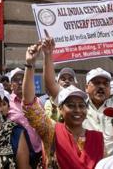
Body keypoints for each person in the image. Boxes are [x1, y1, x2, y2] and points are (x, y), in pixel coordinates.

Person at [43, 24, 113, 156]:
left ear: (110, 88)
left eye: (105, 83)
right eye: (96, 83)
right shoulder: (78, 105)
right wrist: (48, 55)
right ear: (86, 87)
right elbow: (51, 86)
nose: (101, 86)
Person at [22, 40, 104, 169]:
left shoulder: (98, 139)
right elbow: (29, 105)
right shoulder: (51, 131)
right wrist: (30, 65)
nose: (77, 110)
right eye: (71, 105)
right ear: (60, 109)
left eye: (81, 106)